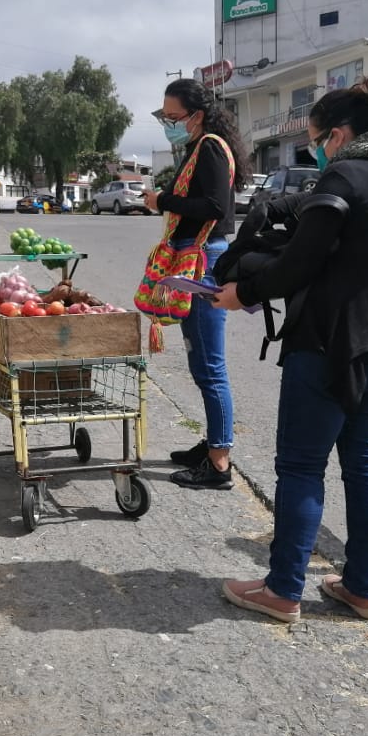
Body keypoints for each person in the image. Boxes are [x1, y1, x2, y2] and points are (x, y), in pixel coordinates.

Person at [213, 77, 368, 622]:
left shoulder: (345, 175)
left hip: (332, 346)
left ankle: (283, 590)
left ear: (338, 134)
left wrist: (244, 292)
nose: (315, 150)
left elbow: (301, 262)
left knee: (301, 466)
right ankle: (362, 588)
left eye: (315, 140)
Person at [142, 78, 249, 491]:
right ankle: (212, 444)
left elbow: (216, 206)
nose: (169, 124)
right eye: (164, 118)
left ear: (197, 115)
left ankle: (219, 463)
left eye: (174, 117)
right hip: (197, 260)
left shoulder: (209, 147)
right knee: (201, 360)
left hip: (203, 262)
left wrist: (163, 201)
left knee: (209, 365)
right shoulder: (198, 146)